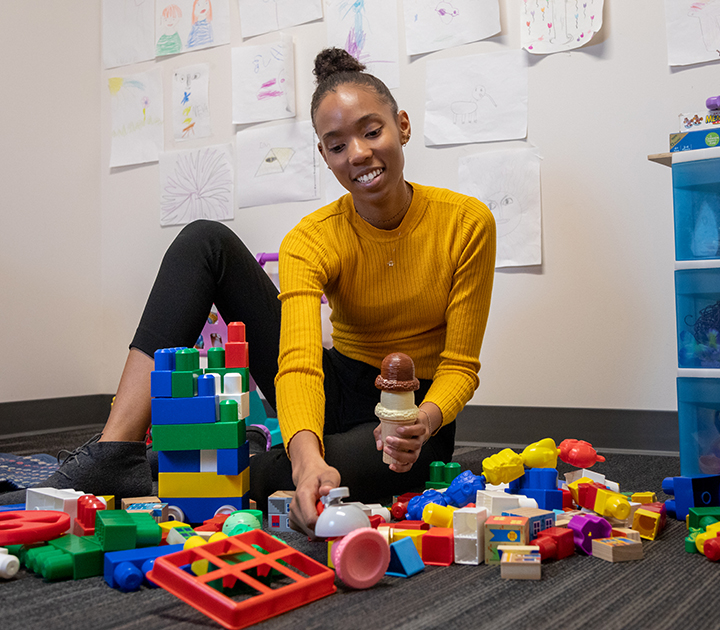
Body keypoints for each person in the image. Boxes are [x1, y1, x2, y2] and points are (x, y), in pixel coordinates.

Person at [0, 48, 496, 536]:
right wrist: (307, 457)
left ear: (402, 125)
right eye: (337, 144)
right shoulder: (311, 238)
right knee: (204, 241)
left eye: (372, 131)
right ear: (324, 156)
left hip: (411, 416)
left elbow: (459, 367)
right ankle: (115, 451)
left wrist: (423, 423)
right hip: (335, 384)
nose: (359, 154)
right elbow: (299, 363)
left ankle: (186, 460)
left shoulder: (467, 223)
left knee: (262, 481)